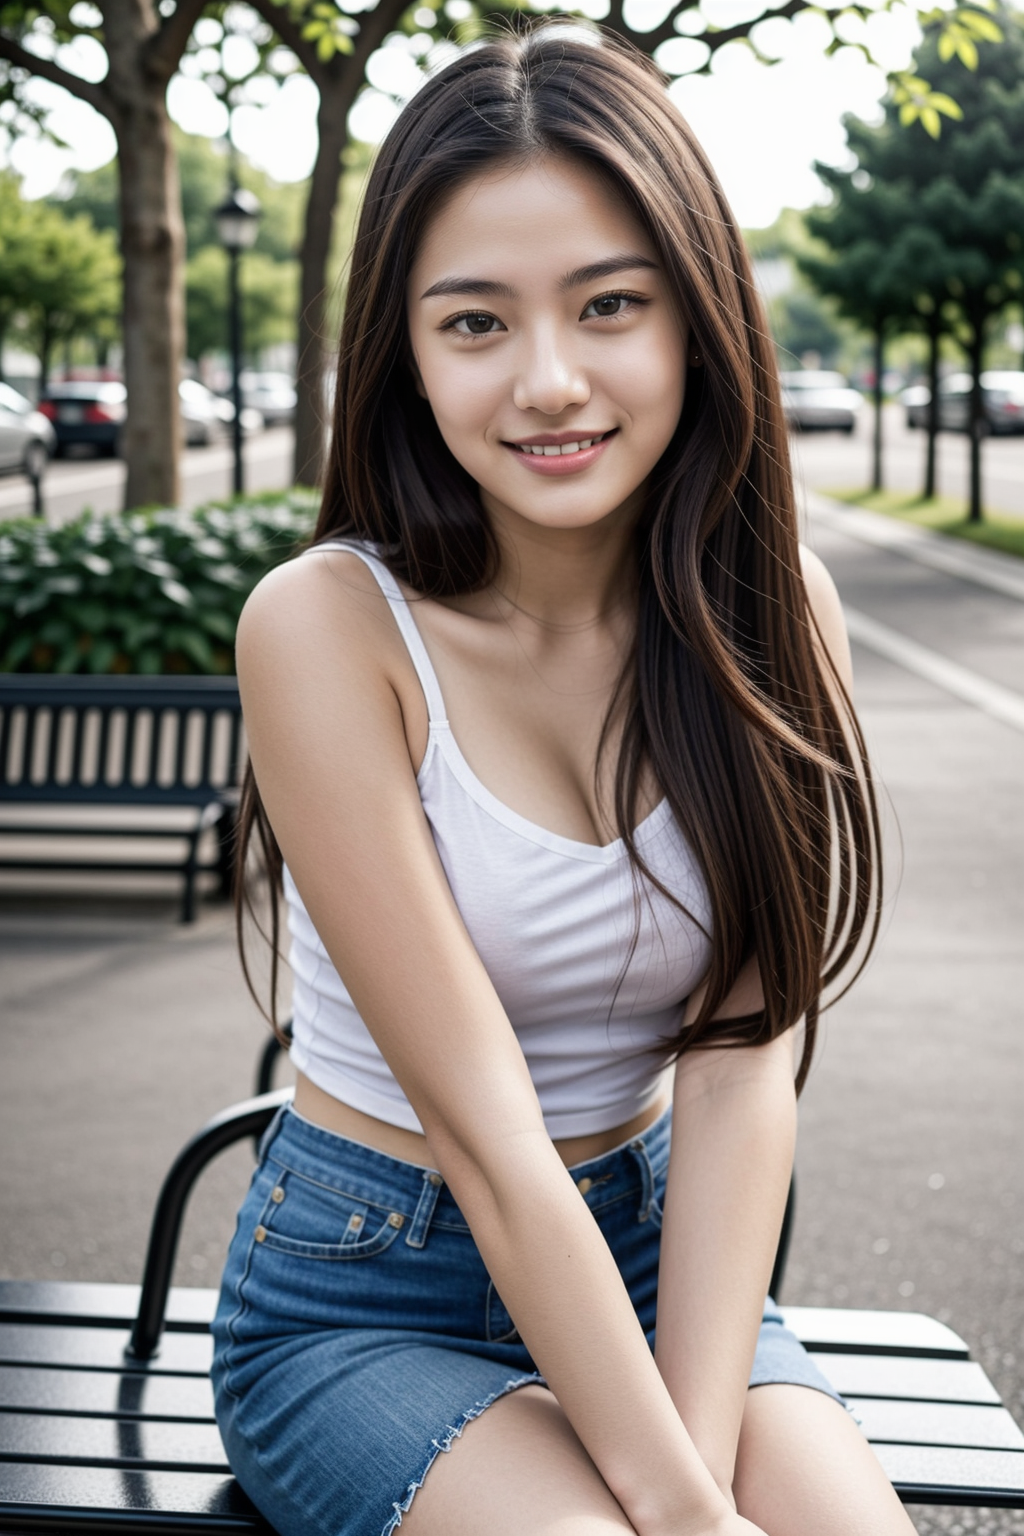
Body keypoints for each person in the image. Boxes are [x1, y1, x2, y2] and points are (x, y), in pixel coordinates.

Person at [212, 24, 917, 1536]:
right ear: (403, 348)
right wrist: (678, 1510)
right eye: (474, 323)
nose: (548, 381)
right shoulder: (332, 629)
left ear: (698, 319)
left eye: (610, 306)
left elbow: (738, 1068)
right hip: (364, 1294)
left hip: (664, 1260)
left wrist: (699, 1459)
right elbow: (482, 1129)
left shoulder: (774, 614)